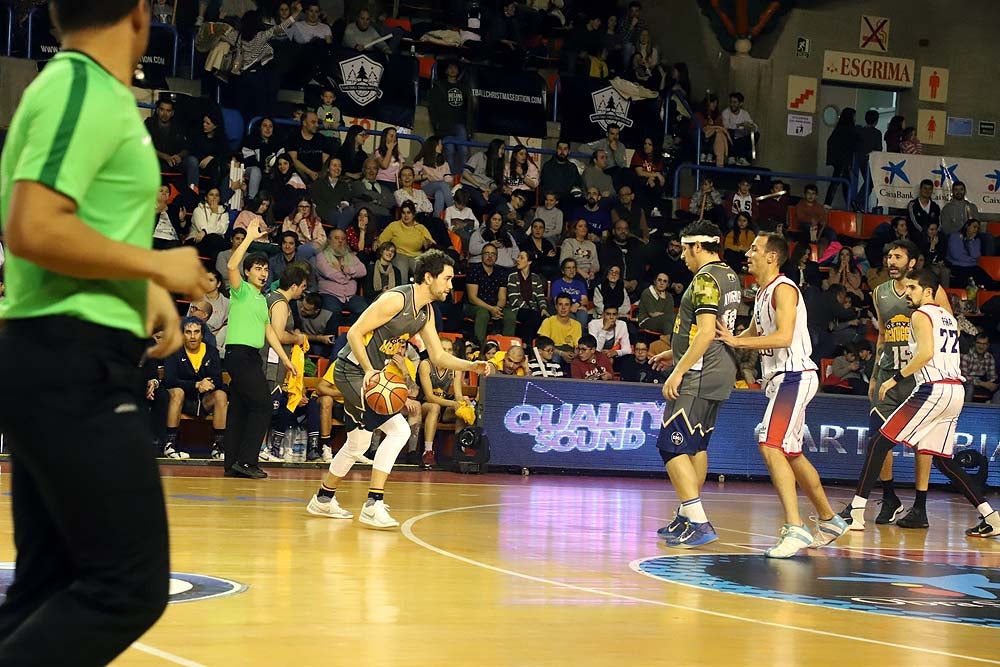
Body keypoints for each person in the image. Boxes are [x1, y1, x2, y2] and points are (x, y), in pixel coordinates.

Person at [0, 1, 213, 663]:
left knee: (48, 583)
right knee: (129, 584)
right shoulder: (80, 86)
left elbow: (84, 222)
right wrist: (157, 262)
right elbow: (33, 225)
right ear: (142, 17)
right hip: (70, 360)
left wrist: (141, 288)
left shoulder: (99, 95)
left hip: (67, 353)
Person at [306, 250, 493, 528]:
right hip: (353, 371)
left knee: (357, 443)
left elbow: (438, 356)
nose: (451, 286)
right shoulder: (396, 299)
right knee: (399, 430)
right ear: (428, 277)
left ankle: (322, 499)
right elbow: (355, 332)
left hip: (369, 374)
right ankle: (373, 503)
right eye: (447, 278)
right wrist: (370, 370)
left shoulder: (426, 311)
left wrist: (471, 365)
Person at [839, 269, 1000, 538]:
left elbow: (925, 353)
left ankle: (855, 511)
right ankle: (991, 516)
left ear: (928, 291)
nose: (909, 293)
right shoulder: (949, 318)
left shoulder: (920, 314)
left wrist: (895, 378)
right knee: (943, 461)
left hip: (933, 388)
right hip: (955, 390)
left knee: (880, 441)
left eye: (913, 288)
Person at [716, 233, 848, 557]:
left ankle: (795, 527)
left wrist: (737, 344)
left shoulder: (784, 288)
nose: (747, 253)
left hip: (794, 375)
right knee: (792, 453)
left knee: (770, 444)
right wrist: (723, 340)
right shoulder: (762, 293)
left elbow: (785, 336)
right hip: (782, 380)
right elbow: (753, 333)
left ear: (772, 257)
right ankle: (830, 520)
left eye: (754, 249)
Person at [841, 239, 952, 527]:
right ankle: (889, 497)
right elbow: (882, 335)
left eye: (898, 257)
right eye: (889, 256)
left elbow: (946, 324)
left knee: (923, 446)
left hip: (920, 376)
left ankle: (920, 506)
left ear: (912, 262)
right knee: (878, 439)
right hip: (890, 372)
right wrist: (876, 373)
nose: (891, 261)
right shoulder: (879, 293)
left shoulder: (931, 291)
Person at [649, 220, 741, 548]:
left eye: (685, 249)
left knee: (670, 445)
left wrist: (678, 371)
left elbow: (704, 332)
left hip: (700, 373)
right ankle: (686, 516)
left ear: (697, 247)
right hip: (721, 368)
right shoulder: (729, 275)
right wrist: (675, 356)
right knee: (696, 445)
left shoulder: (703, 279)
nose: (683, 256)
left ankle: (699, 521)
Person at [224, 220, 297, 479]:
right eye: (258, 268)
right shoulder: (241, 290)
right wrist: (249, 238)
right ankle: (247, 461)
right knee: (263, 405)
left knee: (240, 409)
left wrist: (286, 360)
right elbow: (231, 264)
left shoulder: (262, 298)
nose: (264, 273)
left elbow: (268, 331)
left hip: (252, 357)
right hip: (238, 354)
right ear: (247, 273)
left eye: (266, 269)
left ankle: (232, 463)